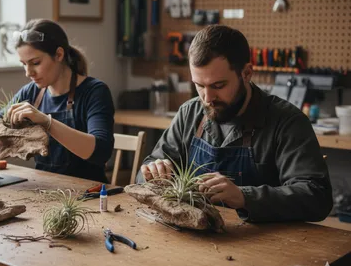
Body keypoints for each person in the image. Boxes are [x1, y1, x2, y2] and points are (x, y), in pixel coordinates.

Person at [137, 25, 333, 223]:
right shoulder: (190, 113)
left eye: (218, 86)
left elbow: (317, 197)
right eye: (199, 85)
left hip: (265, 243)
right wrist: (151, 173)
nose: (207, 98)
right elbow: (143, 174)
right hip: (197, 237)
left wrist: (244, 197)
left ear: (246, 73)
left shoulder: (287, 122)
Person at [0, 19, 114, 183]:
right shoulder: (31, 92)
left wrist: (46, 121)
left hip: (88, 193)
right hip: (44, 189)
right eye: (24, 64)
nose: (28, 72)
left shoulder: (94, 92)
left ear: (59, 54)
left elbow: (101, 151)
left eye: (35, 63)